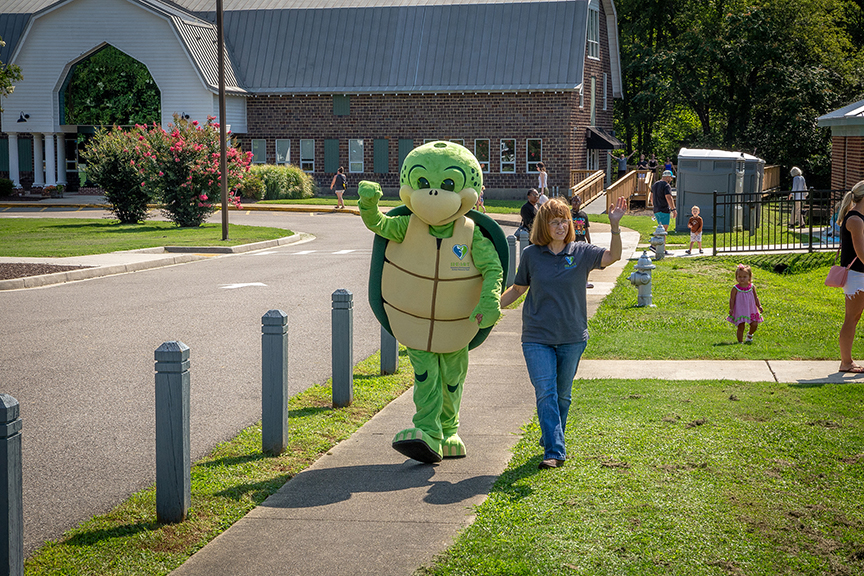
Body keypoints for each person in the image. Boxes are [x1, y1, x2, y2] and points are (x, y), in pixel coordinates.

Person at [500, 196, 627, 470]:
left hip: (572, 336)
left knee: (562, 395)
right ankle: (555, 450)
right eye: (554, 222)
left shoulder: (581, 252)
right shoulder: (532, 255)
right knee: (546, 392)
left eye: (564, 221)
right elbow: (518, 289)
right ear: (544, 225)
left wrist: (615, 227)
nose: (560, 226)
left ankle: (551, 434)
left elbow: (613, 256)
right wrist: (488, 306)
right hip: (536, 337)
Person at [837, 180, 864, 372]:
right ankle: (846, 362)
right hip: (857, 276)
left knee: (854, 317)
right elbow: (861, 253)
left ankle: (847, 362)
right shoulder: (855, 220)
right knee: (851, 318)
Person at [727, 264, 764, 343]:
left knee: (754, 324)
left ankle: (750, 334)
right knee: (741, 326)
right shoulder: (735, 288)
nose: (742, 279)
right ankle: (740, 342)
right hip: (740, 309)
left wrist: (759, 306)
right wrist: (731, 308)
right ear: (736, 277)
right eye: (739, 277)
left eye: (744, 277)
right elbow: (732, 299)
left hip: (751, 309)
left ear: (749, 277)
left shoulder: (752, 287)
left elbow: (755, 297)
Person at [570, 194, 594, 289]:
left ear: (580, 203)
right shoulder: (568, 214)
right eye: (574, 201)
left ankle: (585, 281)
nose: (575, 203)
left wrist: (589, 241)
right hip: (571, 242)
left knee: (584, 262)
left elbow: (586, 229)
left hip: (581, 241)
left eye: (577, 201)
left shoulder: (583, 215)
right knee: (571, 262)